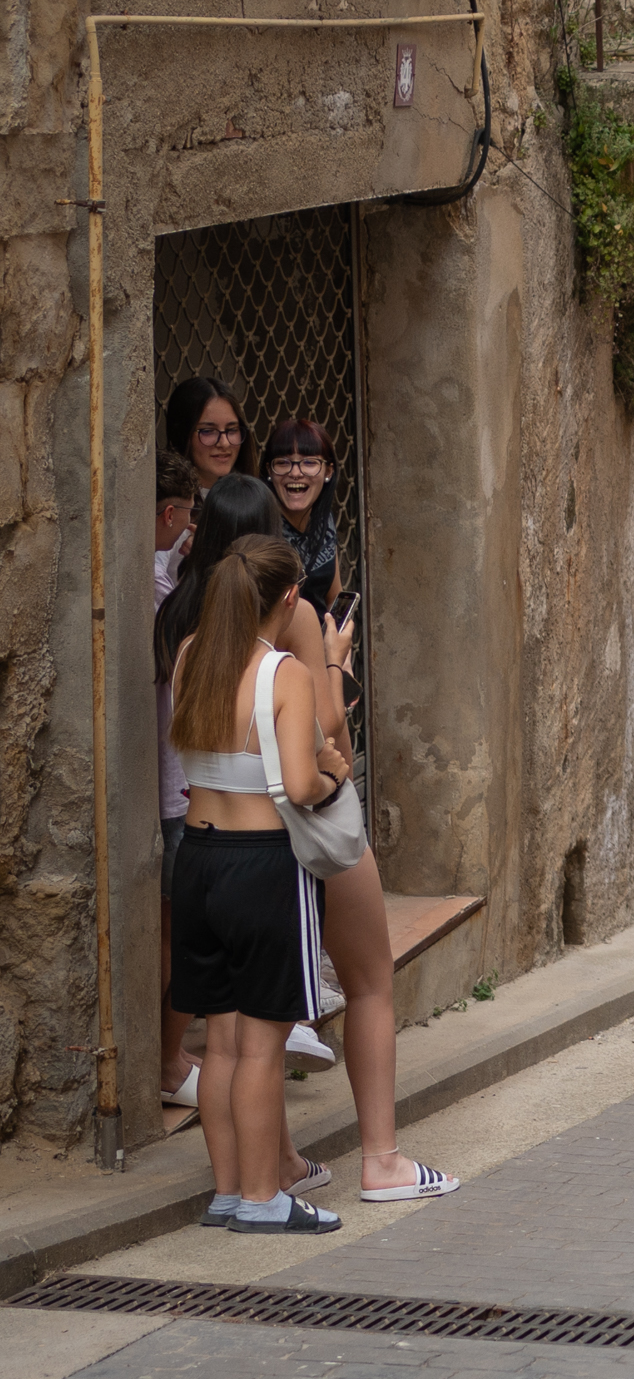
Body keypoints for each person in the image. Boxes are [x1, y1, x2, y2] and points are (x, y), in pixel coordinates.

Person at [156, 477, 459, 1203]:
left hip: (204, 845)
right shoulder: (289, 626)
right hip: (286, 839)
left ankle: (255, 1178)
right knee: (363, 984)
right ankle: (379, 1160)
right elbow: (322, 740)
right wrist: (334, 663)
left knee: (227, 1035)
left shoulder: (185, 626)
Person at [167, 536, 350, 1233]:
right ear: (289, 597)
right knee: (263, 1045)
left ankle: (226, 1192)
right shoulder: (286, 673)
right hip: (264, 865)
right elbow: (300, 785)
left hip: (198, 859)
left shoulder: (191, 655)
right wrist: (333, 773)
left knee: (219, 1041)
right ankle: (262, 1196)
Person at [154, 453, 200, 1106]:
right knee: (182, 933)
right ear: (170, 513)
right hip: (177, 788)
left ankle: (173, 1055)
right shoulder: (161, 589)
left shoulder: (160, 576)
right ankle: (168, 1061)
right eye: (188, 515)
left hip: (171, 785)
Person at [262, 417, 339, 613]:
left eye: (309, 462)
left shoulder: (324, 519)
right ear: (269, 470)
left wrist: (341, 627)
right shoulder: (259, 525)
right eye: (283, 462)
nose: (295, 473)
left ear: (328, 471)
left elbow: (334, 598)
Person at [162, 377, 257, 497]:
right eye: (208, 431)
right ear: (182, 434)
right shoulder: (166, 502)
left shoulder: (253, 497)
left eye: (232, 430)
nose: (224, 443)